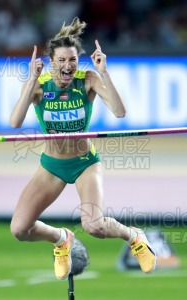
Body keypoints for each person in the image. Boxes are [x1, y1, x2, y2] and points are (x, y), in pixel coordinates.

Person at [10, 17, 156, 280]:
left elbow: (120, 112)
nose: (68, 66)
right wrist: (31, 80)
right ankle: (62, 238)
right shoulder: (40, 85)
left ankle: (134, 236)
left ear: (78, 61)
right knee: (20, 229)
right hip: (52, 166)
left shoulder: (87, 80)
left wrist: (104, 73)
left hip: (85, 162)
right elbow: (14, 121)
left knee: (95, 226)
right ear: (52, 62)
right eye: (62, 60)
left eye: (73, 60)